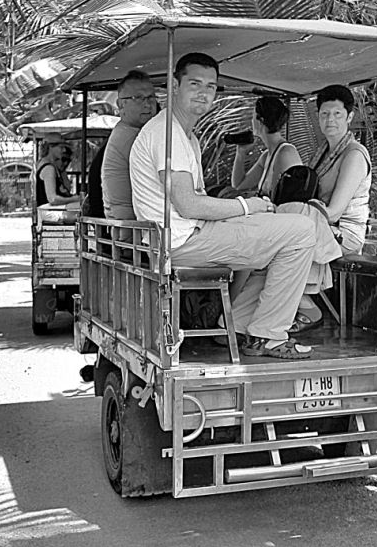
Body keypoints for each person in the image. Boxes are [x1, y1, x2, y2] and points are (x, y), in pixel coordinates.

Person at [128, 52, 317, 359]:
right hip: (181, 242)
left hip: (188, 234)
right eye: (194, 84)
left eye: (211, 86)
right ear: (174, 85)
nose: (203, 93)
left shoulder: (185, 136)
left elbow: (196, 200)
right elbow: (189, 205)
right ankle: (268, 336)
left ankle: (238, 325)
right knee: (303, 230)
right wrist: (247, 207)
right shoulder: (167, 134)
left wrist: (248, 208)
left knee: (280, 240)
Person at [310, 84, 372, 255]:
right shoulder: (320, 153)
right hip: (319, 226)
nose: (330, 119)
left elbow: (333, 213)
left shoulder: (354, 154)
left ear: (349, 117)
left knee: (285, 239)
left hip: (344, 234)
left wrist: (298, 213)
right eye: (324, 114)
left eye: (337, 114)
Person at [97, 70, 157, 219]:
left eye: (151, 97)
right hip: (130, 224)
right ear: (120, 104)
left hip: (136, 220)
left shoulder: (134, 131)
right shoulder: (130, 136)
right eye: (138, 98)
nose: (147, 104)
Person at [230, 96, 302, 198]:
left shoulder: (285, 153)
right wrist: (240, 154)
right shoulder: (267, 156)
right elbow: (239, 185)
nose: (251, 121)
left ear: (260, 121)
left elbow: (282, 198)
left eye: (253, 117)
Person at [35, 133, 81, 206]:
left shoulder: (51, 166)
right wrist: (74, 199)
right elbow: (53, 199)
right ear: (50, 147)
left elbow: (66, 188)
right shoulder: (48, 168)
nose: (64, 150)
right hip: (51, 210)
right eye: (61, 147)